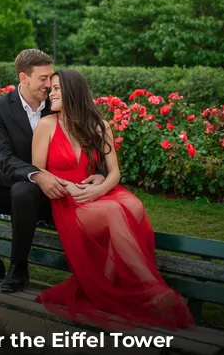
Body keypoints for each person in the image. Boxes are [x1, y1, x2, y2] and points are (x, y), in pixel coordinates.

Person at [31, 69, 195, 331]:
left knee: (134, 205)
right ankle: (151, 289)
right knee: (115, 213)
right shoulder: (47, 125)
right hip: (68, 199)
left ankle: (107, 286)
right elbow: (38, 170)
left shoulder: (99, 125)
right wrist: (69, 187)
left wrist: (100, 186)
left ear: (73, 91)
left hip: (95, 193)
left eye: (57, 88)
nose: (51, 93)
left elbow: (115, 172)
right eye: (50, 89)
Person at [0, 49, 105, 293]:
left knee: (22, 192)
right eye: (43, 79)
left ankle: (18, 267)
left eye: (51, 77)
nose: (50, 84)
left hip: (56, 192)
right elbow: (2, 156)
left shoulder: (58, 103)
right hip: (21, 181)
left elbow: (91, 138)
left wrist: (101, 172)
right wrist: (37, 175)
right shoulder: (0, 107)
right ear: (23, 78)